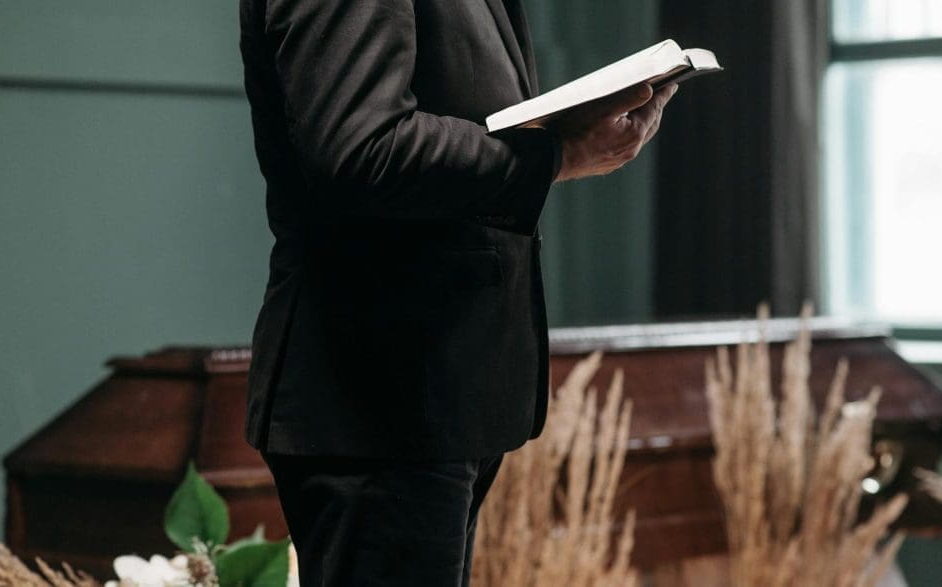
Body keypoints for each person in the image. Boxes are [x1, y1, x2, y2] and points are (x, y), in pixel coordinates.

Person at [238, 0, 676, 584]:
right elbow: (363, 149)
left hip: (434, 391)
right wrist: (558, 153)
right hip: (377, 395)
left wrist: (563, 145)